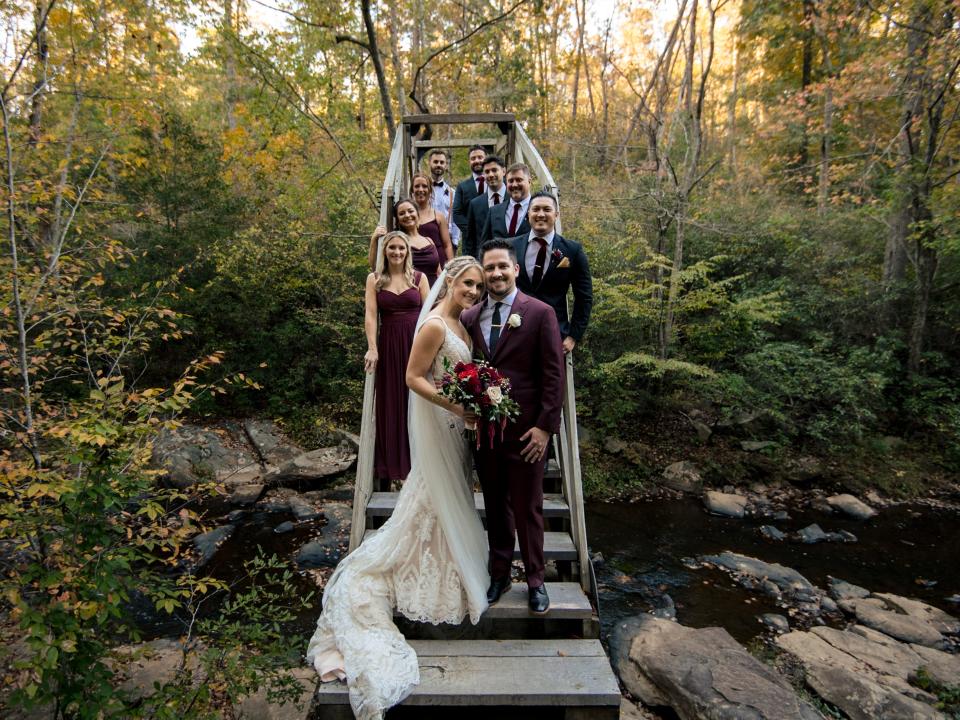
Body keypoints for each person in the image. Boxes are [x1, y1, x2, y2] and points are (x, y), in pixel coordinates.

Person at [307, 257, 490, 720]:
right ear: (450, 279)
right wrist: (456, 405)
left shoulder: (461, 323)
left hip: (457, 427)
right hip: (444, 422)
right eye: (468, 283)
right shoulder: (432, 325)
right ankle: (424, 559)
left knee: (450, 494)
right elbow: (412, 378)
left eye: (479, 287)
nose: (473, 291)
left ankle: (448, 547)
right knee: (432, 495)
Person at [462, 238, 565, 614]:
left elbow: (553, 376)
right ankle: (500, 573)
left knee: (529, 507)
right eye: (489, 268)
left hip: (526, 433)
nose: (496, 273)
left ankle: (536, 579)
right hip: (487, 434)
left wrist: (544, 429)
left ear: (515, 269)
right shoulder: (471, 318)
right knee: (495, 505)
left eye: (502, 266)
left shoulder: (539, 313)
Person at [363, 231, 430, 488]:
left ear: (407, 251)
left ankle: (420, 465)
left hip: (416, 345)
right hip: (389, 344)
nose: (397, 252)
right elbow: (371, 316)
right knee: (392, 402)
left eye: (401, 248)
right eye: (392, 248)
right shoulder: (375, 279)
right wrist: (372, 348)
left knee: (417, 402)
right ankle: (394, 469)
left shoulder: (419, 278)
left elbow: (430, 314)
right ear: (385, 251)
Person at [513, 191, 593, 354]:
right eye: (535, 209)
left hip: (555, 335)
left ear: (556, 215)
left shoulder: (572, 250)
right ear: (528, 214)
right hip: (514, 332)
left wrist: (573, 336)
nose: (540, 214)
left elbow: (584, 296)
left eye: (547, 210)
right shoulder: (511, 247)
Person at [368, 199, 441, 287]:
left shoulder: (429, 240)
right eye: (402, 213)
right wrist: (374, 239)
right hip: (412, 295)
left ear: (417, 214)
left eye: (410, 211)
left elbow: (439, 273)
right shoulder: (397, 243)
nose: (407, 215)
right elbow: (375, 266)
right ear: (398, 220)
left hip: (435, 295)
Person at [460, 154, 506, 259]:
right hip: (483, 261)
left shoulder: (513, 200)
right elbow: (470, 240)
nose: (490, 174)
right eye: (487, 171)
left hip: (509, 261)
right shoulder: (475, 204)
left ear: (504, 171)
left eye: (494, 170)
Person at [480, 162, 532, 244]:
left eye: (519, 180)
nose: (514, 184)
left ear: (529, 182)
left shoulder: (539, 210)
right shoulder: (494, 211)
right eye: (510, 181)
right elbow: (484, 245)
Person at [411, 172, 454, 268]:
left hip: (438, 266)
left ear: (430, 190)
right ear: (412, 190)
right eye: (417, 186)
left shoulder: (439, 216)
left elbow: (447, 245)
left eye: (424, 186)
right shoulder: (408, 217)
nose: (421, 189)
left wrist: (451, 268)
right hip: (415, 265)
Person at [425, 148, 460, 251]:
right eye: (435, 162)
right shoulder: (421, 190)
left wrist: (455, 242)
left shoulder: (452, 193)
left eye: (442, 162)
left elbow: (455, 220)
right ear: (429, 163)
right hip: (425, 239)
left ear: (446, 165)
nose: (439, 164)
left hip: (445, 241)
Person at [451, 145, 487, 239]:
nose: (477, 161)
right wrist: (473, 231)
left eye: (480, 157)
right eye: (473, 158)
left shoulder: (497, 184)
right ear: (469, 162)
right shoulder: (462, 187)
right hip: (471, 241)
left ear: (486, 159)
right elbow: (457, 213)